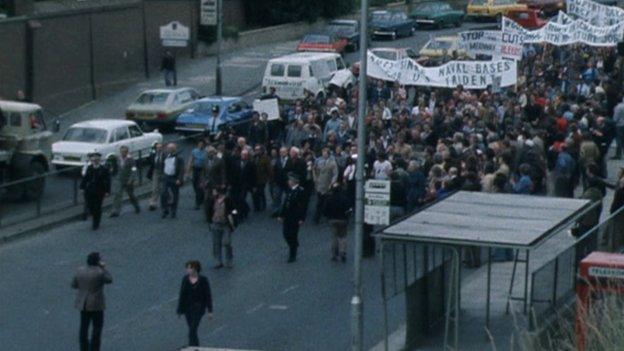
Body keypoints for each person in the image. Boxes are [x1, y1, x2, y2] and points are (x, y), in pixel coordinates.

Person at [71, 252, 112, 351]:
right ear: (97, 262)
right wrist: (104, 268)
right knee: (97, 328)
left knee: (84, 328)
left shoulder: (79, 270)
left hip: (83, 304)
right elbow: (109, 280)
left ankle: (83, 348)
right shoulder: (100, 272)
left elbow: (74, 285)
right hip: (96, 305)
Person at [177, 261, 213, 347]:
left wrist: (210, 310)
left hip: (198, 308)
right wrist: (179, 310)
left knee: (192, 330)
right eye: (187, 268)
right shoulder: (185, 279)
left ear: (195, 269)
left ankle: (192, 347)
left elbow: (208, 295)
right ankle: (196, 346)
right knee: (192, 330)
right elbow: (182, 294)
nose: (187, 270)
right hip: (187, 309)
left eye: (189, 268)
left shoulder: (203, 280)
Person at [278, 172, 307, 263]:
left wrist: (302, 218)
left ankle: (292, 254)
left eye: (290, 180)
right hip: (287, 216)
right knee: (286, 233)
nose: (288, 182)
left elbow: (303, 206)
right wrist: (281, 215)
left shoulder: (300, 191)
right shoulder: (289, 190)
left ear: (294, 182)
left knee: (293, 235)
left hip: (295, 217)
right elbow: (285, 204)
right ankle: (294, 245)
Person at [206, 187, 237, 268]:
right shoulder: (212, 200)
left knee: (227, 242)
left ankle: (229, 260)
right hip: (215, 224)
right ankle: (218, 261)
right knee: (216, 244)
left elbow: (234, 210)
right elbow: (208, 210)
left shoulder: (228, 200)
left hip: (226, 224)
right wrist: (209, 221)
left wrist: (233, 216)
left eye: (214, 191)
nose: (213, 193)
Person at [80, 152, 111, 230]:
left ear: (99, 160)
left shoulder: (104, 169)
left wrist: (107, 191)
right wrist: (82, 187)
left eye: (97, 159)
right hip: (89, 190)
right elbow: (85, 178)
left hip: (99, 191)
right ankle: (94, 216)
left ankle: (96, 223)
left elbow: (107, 181)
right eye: (94, 159)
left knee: (97, 207)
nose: (95, 160)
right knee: (90, 206)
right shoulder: (89, 168)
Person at [110, 145, 140, 217]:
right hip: (119, 179)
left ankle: (136, 205)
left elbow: (134, 170)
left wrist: (132, 179)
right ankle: (115, 210)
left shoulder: (131, 159)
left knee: (131, 195)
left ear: (127, 152)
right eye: (122, 152)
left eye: (125, 152)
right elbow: (114, 168)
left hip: (128, 180)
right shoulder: (117, 159)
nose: (123, 153)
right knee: (117, 195)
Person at [323, 183, 351, 262]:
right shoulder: (345, 199)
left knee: (334, 237)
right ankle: (343, 252)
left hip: (332, 220)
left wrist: (328, 216)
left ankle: (334, 254)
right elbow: (349, 210)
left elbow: (325, 210)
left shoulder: (329, 199)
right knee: (342, 237)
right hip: (343, 220)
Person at [313, 147, 338, 223]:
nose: (324, 154)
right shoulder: (319, 161)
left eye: (325, 153)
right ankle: (316, 218)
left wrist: (333, 182)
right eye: (323, 153)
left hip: (328, 183)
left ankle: (328, 216)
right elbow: (315, 171)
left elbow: (335, 173)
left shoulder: (332, 163)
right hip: (320, 183)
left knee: (327, 201)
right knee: (319, 202)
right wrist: (315, 179)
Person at [161, 143, 184, 218]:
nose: (167, 150)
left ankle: (173, 211)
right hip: (166, 177)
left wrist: (179, 179)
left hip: (174, 178)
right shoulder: (165, 156)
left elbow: (181, 169)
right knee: (163, 193)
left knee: (175, 195)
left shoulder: (179, 158)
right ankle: (165, 209)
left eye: (169, 148)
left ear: (173, 149)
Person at [187, 140, 207, 210]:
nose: (200, 145)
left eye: (202, 144)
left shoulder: (206, 152)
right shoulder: (194, 151)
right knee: (195, 185)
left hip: (202, 170)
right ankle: (201, 198)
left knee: (200, 186)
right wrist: (188, 172)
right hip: (195, 169)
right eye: (199, 144)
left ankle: (197, 203)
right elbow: (190, 160)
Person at [147, 142, 164, 211]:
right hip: (156, 172)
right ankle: (153, 203)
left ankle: (168, 200)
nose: (159, 149)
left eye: (160, 148)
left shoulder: (164, 155)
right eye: (157, 148)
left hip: (163, 172)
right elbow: (151, 164)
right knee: (155, 188)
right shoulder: (153, 155)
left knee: (164, 188)